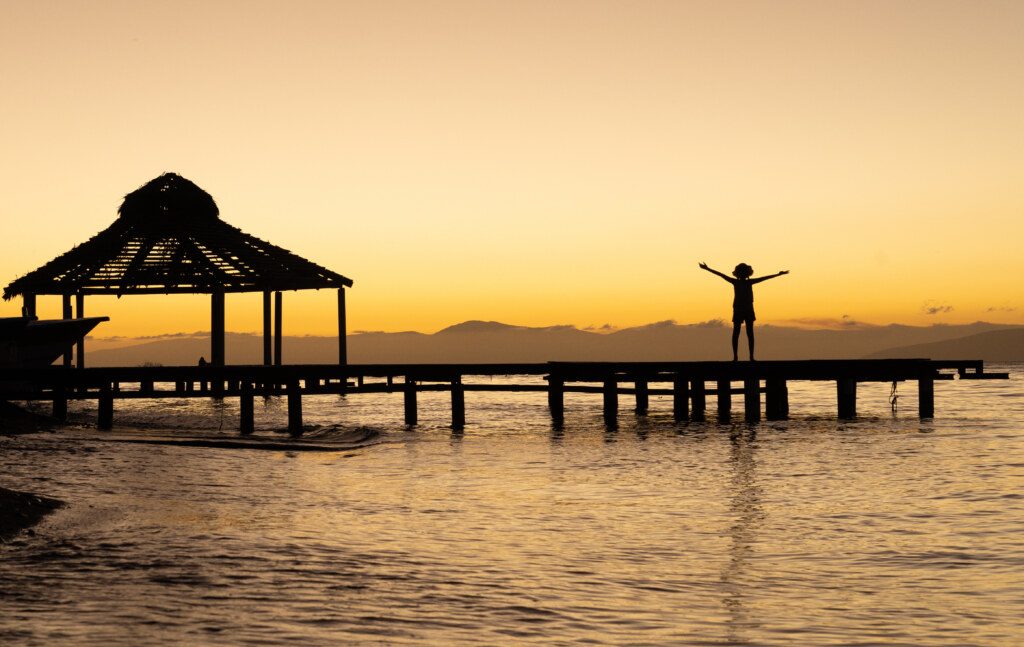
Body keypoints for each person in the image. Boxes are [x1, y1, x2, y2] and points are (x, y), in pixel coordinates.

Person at [699, 262, 789, 361]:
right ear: (748, 273)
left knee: (741, 333)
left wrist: (707, 268)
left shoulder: (738, 282)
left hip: (743, 308)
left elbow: (721, 275)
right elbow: (764, 278)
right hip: (742, 308)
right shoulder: (744, 282)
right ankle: (744, 357)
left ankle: (741, 357)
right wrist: (778, 274)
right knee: (746, 333)